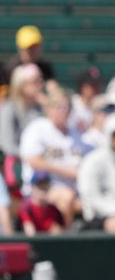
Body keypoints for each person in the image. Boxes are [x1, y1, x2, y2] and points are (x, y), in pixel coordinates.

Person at [19, 88, 85, 227]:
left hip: (75, 190)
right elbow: (33, 160)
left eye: (68, 107)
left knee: (86, 203)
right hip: (42, 188)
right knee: (66, 198)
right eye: (59, 106)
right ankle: (65, 242)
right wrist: (65, 171)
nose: (64, 110)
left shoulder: (75, 134)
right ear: (49, 108)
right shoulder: (38, 128)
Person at [0, 64, 43, 158]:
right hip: (16, 163)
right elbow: (7, 146)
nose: (40, 85)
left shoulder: (41, 107)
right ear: (22, 85)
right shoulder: (9, 109)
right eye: (35, 82)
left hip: (39, 162)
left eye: (40, 80)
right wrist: (33, 156)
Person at [5, 25, 56, 90]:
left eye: (35, 47)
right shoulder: (11, 69)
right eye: (29, 48)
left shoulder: (46, 67)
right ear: (20, 48)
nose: (33, 51)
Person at [19, 172, 64, 237]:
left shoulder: (54, 209)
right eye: (40, 186)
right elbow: (30, 233)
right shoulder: (27, 208)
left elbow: (59, 232)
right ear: (33, 188)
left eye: (45, 186)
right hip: (32, 245)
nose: (43, 191)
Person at [68, 66, 104, 135]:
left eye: (98, 84)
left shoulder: (102, 104)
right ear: (82, 86)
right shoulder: (72, 104)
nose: (96, 88)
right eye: (92, 85)